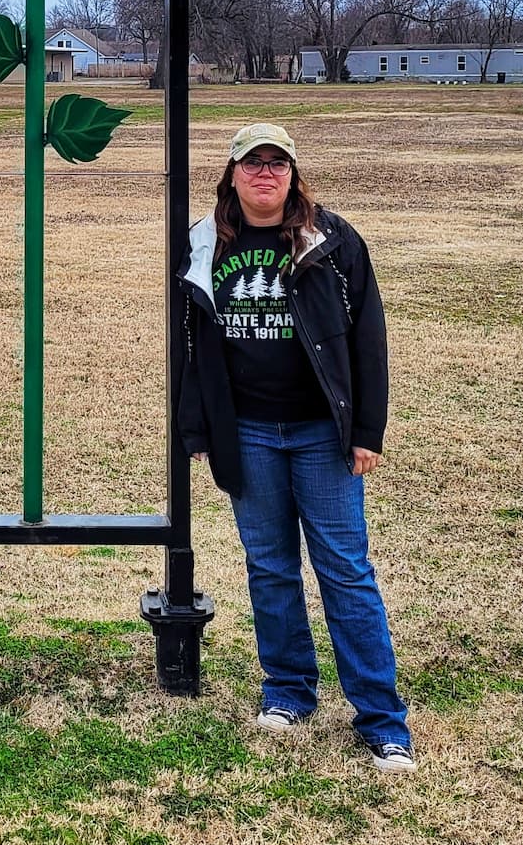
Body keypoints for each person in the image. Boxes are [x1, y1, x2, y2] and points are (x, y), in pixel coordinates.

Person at [175, 122, 415, 772]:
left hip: (320, 435)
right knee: (270, 567)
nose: (264, 173)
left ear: (292, 173)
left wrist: (366, 432)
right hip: (247, 433)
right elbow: (192, 345)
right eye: (251, 163)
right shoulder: (203, 244)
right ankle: (288, 689)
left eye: (276, 163)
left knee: (345, 571)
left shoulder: (331, 240)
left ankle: (381, 719)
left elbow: (368, 337)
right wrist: (197, 428)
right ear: (230, 174)